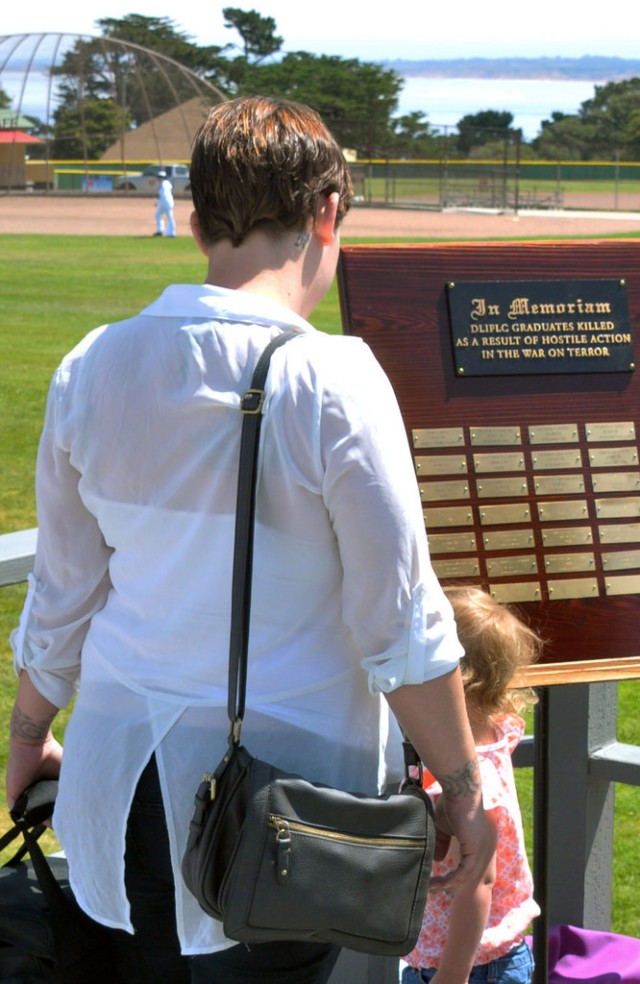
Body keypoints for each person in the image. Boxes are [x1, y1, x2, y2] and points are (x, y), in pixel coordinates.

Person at [6, 96, 494, 984]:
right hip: (281, 818)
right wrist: (465, 793)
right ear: (328, 212)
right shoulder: (333, 379)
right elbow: (399, 623)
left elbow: (64, 590)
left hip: (123, 788)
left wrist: (28, 735)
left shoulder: (92, 363)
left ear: (194, 223)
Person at [402, 584, 542, 984]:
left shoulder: (476, 774)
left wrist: (452, 975)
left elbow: (478, 880)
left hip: (475, 967)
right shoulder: (486, 738)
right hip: (453, 959)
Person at [154, 169, 176, 237]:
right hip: (164, 203)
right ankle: (160, 231)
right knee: (157, 215)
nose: (158, 179)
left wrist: (157, 202)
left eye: (159, 177)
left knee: (170, 217)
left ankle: (172, 232)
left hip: (166, 203)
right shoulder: (165, 183)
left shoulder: (164, 184)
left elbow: (164, 195)